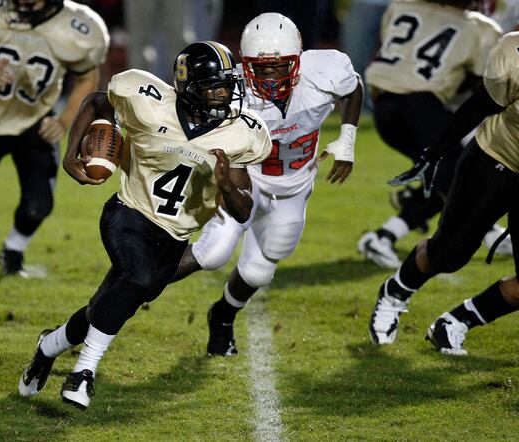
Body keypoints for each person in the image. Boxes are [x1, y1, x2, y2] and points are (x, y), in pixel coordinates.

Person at [17, 41, 273, 409]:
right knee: (136, 279)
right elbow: (94, 102)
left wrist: (226, 184)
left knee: (109, 303)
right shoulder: (146, 98)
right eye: (214, 86)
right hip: (130, 212)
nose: (224, 94)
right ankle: (83, 372)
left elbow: (244, 211)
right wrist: (72, 153)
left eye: (227, 85)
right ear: (188, 88)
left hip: (175, 235)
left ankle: (49, 346)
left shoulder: (240, 132)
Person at [171, 13, 364, 357]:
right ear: (246, 65)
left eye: (278, 66)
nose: (269, 75)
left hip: (294, 185)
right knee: (213, 252)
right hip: (244, 178)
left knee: (260, 271)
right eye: (259, 67)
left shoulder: (325, 70)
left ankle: (223, 317)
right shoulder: (232, 89)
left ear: (298, 60)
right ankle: (137, 280)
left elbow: (354, 87)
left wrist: (346, 141)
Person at [368, 31, 519, 353]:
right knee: (449, 254)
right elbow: (480, 104)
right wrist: (435, 152)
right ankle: (397, 290)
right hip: (496, 160)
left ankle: (456, 322)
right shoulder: (514, 50)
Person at [0, 0, 109, 275]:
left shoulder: (81, 26)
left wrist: (64, 121)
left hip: (37, 120)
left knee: (38, 204)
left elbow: (87, 78)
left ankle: (13, 251)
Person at [356, 0, 502, 269]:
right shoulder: (479, 28)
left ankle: (488, 231)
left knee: (446, 174)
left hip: (384, 109)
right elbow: (480, 84)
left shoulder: (402, 6)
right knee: (455, 173)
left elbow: (385, 51)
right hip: (421, 108)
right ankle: (384, 236)